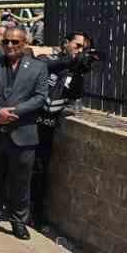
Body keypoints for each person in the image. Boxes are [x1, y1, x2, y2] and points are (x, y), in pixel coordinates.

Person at [0, 26, 50, 240]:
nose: (9, 46)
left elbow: (40, 97)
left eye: (15, 42)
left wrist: (14, 112)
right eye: (6, 41)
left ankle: (18, 221)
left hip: (22, 131)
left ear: (24, 44)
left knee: (21, 181)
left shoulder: (37, 68)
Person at [32, 32, 93, 227]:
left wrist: (79, 71)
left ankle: (35, 216)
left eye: (83, 48)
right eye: (77, 45)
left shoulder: (74, 71)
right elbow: (42, 67)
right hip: (29, 123)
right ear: (66, 43)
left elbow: (73, 95)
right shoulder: (47, 57)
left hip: (48, 128)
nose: (79, 50)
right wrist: (70, 61)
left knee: (40, 172)